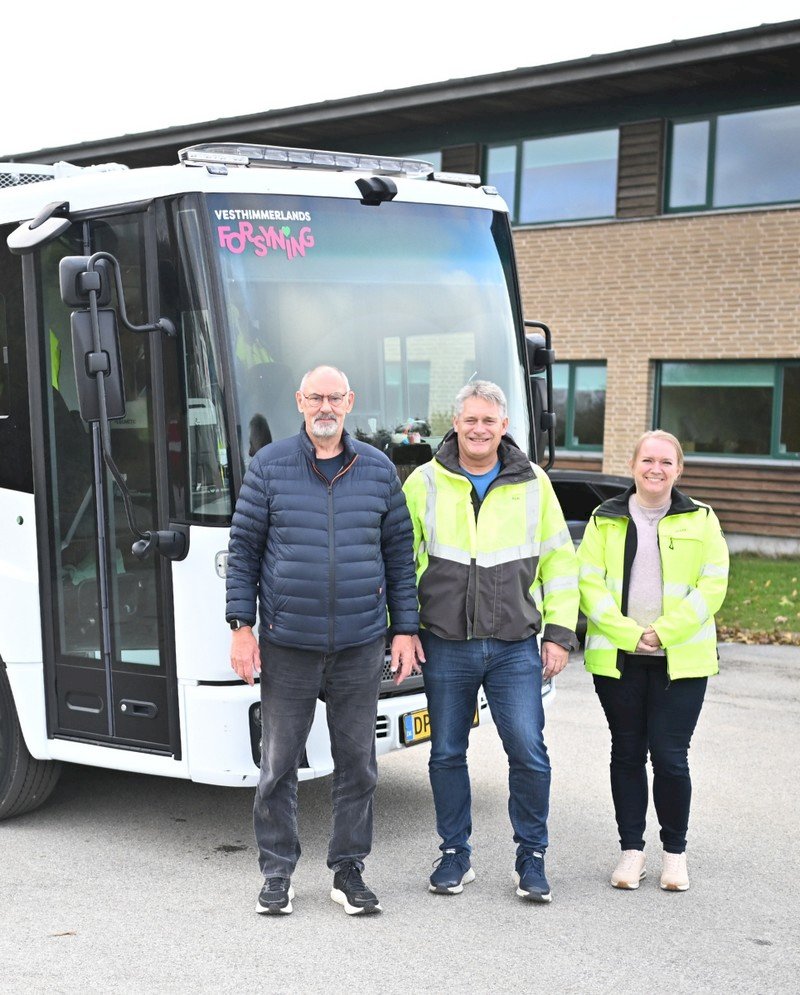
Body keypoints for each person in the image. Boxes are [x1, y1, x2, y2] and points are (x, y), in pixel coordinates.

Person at [226, 365, 419, 917]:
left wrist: (404, 628)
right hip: (288, 643)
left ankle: (348, 869)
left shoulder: (378, 470)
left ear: (350, 402)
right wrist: (242, 627)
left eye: (335, 397)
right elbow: (243, 551)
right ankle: (277, 873)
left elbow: (398, 560)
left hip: (360, 644)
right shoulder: (269, 467)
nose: (326, 406)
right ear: (301, 402)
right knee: (279, 763)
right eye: (317, 397)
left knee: (357, 763)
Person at [402, 380, 579, 903]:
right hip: (446, 644)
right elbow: (399, 563)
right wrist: (404, 629)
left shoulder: (534, 483)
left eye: (489, 420)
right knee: (446, 753)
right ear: (455, 424)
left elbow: (560, 563)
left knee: (528, 751)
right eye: (470, 419)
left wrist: (560, 634)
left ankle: (532, 857)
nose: (479, 429)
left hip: (514, 645)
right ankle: (455, 854)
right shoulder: (424, 483)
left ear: (504, 427)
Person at [577, 430, 729, 892]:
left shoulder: (702, 519)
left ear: (678, 469)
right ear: (634, 465)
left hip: (680, 660)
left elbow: (713, 585)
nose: (656, 469)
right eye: (648, 460)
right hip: (620, 660)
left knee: (669, 756)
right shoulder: (604, 519)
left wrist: (662, 633)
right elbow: (589, 584)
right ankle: (631, 852)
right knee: (625, 753)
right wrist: (630, 635)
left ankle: (674, 854)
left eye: (666, 461)